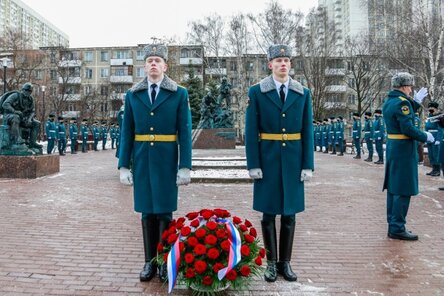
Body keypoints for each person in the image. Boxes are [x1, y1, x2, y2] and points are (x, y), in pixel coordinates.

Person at [118, 44, 192, 282]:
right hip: (141, 160)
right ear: (144, 67)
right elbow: (126, 131)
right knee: (146, 213)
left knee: (164, 213)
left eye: (157, 61)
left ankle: (164, 262)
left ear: (165, 66)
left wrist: (185, 166)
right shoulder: (133, 95)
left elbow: (185, 131)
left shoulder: (179, 93)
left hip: (166, 160)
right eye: (149, 60)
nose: (153, 64)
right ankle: (149, 262)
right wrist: (123, 165)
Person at [245, 44, 314, 282]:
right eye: (278, 60)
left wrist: (308, 164)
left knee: (290, 215)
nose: (283, 64)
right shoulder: (257, 92)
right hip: (268, 159)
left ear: (290, 65)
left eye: (286, 60)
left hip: (294, 160)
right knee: (268, 214)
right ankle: (271, 263)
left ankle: (286, 263)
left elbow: (307, 131)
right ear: (270, 64)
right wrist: (253, 163)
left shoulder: (302, 93)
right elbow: (251, 130)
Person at [382, 72, 434, 241]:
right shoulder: (402, 103)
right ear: (404, 86)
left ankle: (393, 224)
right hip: (404, 150)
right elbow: (407, 128)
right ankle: (397, 227)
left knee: (394, 188)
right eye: (410, 87)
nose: (411, 90)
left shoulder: (391, 101)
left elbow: (404, 115)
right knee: (403, 188)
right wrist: (426, 136)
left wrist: (415, 103)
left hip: (394, 148)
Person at [0, 82, 42, 149]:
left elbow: (32, 111)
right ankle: (17, 140)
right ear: (22, 89)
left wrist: (29, 119)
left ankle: (32, 143)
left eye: (29, 91)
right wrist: (14, 111)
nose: (27, 92)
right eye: (26, 90)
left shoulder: (30, 99)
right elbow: (5, 104)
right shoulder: (15, 95)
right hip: (9, 116)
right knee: (15, 117)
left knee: (36, 123)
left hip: (23, 118)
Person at [425, 102, 441, 176]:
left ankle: (437, 170)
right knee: (431, 154)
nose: (430, 109)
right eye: (429, 108)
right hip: (429, 136)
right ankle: (433, 169)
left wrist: (438, 139)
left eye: (432, 108)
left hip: (435, 136)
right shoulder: (429, 116)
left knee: (436, 154)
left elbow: (440, 129)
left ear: (435, 108)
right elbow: (426, 126)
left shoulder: (438, 116)